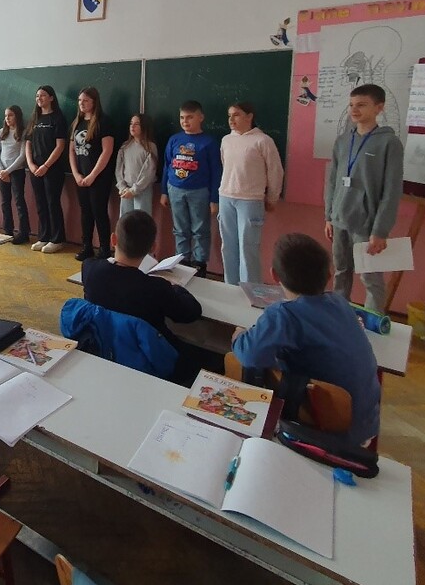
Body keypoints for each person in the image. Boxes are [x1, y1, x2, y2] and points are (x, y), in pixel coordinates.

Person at [231, 233, 381, 447]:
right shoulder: (340, 302)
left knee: (244, 366)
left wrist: (239, 336)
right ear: (329, 276)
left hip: (328, 431)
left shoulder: (284, 314)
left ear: (274, 275)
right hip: (366, 424)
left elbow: (250, 355)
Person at [80, 210, 204, 385]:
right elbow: (191, 312)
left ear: (113, 239)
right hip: (149, 358)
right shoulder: (156, 287)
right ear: (152, 248)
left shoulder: (90, 268)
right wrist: (175, 288)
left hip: (101, 348)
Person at [323, 84, 404, 313]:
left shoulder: (389, 143)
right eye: (351, 105)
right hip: (339, 219)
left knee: (370, 277)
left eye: (361, 105)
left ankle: (374, 324)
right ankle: (339, 315)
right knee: (341, 272)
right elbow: (332, 181)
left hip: (366, 225)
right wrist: (329, 216)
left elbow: (392, 190)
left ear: (379, 108)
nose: (354, 109)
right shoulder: (342, 141)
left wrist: (380, 230)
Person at [218, 102, 284, 285]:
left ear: (249, 117)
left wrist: (272, 198)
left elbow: (275, 171)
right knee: (228, 246)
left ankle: (251, 290)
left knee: (248, 247)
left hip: (250, 200)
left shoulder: (262, 141)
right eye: (229, 115)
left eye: (236, 115)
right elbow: (226, 165)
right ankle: (231, 286)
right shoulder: (226, 140)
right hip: (226, 197)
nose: (231, 119)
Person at [159, 100, 221, 275]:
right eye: (182, 117)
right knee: (180, 229)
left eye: (189, 117)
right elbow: (167, 166)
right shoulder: (174, 139)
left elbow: (216, 171)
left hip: (199, 191)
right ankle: (182, 261)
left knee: (200, 230)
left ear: (200, 117)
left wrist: (214, 199)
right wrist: (164, 191)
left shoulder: (209, 142)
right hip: (175, 189)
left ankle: (200, 264)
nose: (185, 121)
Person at [69, 87, 115, 261]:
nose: (82, 103)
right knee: (85, 212)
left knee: (99, 211)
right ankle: (86, 247)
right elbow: (71, 151)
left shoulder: (104, 121)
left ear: (94, 102)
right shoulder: (77, 123)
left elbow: (107, 151)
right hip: (81, 177)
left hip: (99, 177)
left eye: (86, 100)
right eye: (80, 100)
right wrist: (76, 174)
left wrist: (92, 175)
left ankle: (104, 249)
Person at [25, 85, 69, 254]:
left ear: (51, 98)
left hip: (52, 169)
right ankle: (43, 236)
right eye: (37, 96)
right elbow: (28, 143)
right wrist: (31, 164)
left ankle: (57, 239)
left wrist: (46, 166)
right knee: (40, 204)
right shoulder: (34, 118)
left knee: (52, 203)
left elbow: (60, 145)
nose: (39, 98)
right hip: (35, 169)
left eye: (43, 95)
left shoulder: (58, 118)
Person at [0, 105, 30, 244]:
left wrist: (8, 171)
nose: (7, 118)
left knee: (19, 201)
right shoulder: (1, 132)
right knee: (5, 202)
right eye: (6, 116)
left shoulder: (23, 132)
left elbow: (22, 155)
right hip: (2, 172)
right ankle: (8, 231)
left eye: (10, 115)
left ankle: (23, 232)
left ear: (17, 116)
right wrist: (1, 170)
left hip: (16, 171)